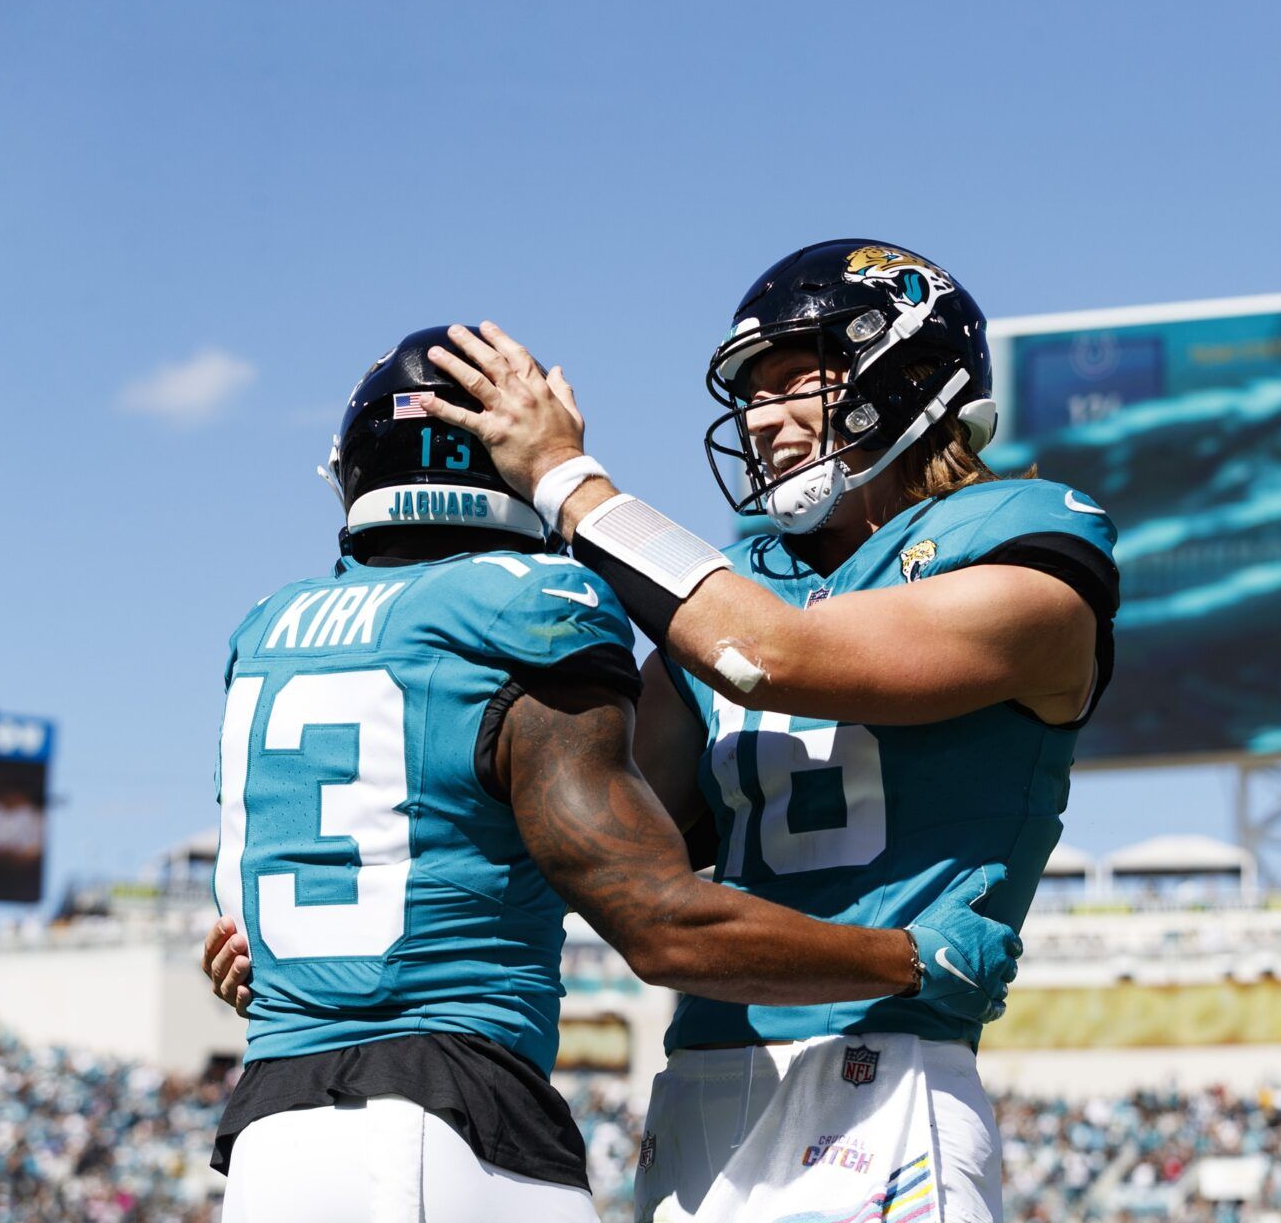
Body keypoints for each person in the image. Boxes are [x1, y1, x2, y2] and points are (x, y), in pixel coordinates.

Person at [204, 324, 1023, 1223]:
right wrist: (911, 959)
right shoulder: (525, 608)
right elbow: (662, 921)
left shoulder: (270, 628)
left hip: (271, 1125)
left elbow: (406, 850)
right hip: (444, 1115)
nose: (762, 418)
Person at [424, 240, 1120, 1223]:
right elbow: (578, 827)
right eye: (754, 391)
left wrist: (568, 481)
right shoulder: (743, 579)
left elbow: (769, 655)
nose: (766, 416)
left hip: (884, 1070)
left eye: (802, 378)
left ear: (911, 371)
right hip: (703, 1080)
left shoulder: (1024, 547)